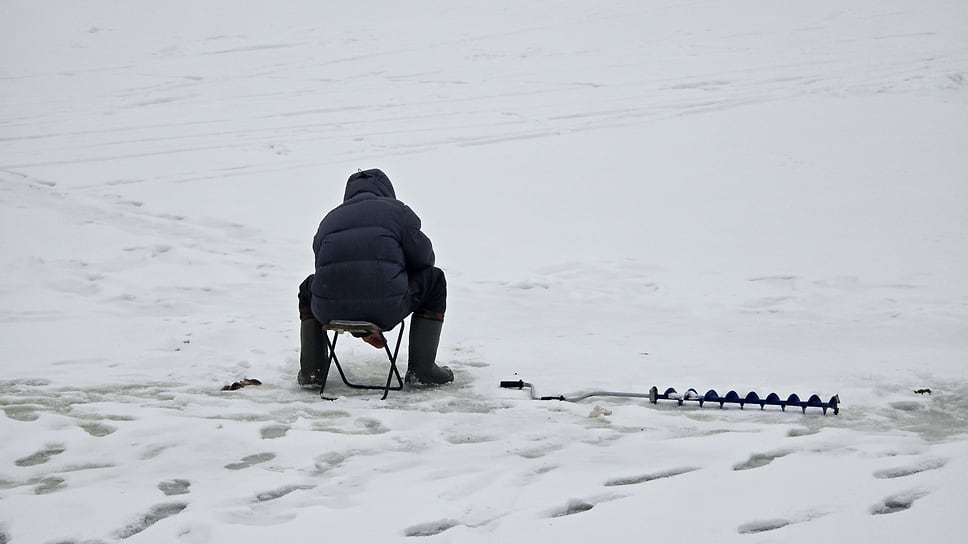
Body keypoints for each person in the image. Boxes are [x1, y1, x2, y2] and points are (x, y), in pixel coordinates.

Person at [297, 168, 453, 388]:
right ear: (386, 190)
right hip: (388, 307)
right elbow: (424, 260)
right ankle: (422, 370)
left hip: (327, 310)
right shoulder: (397, 212)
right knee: (434, 280)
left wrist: (363, 328)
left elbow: (330, 274)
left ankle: (312, 373)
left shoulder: (329, 219)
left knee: (308, 288)